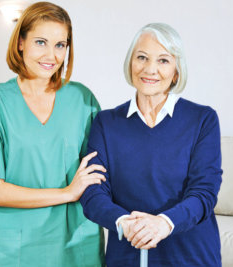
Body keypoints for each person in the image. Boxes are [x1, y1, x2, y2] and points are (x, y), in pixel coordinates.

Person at [0, 2, 105, 266]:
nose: (51, 55)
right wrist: (67, 193)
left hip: (76, 240)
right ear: (20, 43)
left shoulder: (83, 99)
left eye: (60, 45)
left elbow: (103, 171)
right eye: (41, 42)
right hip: (15, 246)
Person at [80, 23, 222, 266]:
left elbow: (204, 193)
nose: (150, 69)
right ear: (130, 63)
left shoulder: (203, 119)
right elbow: (93, 193)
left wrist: (163, 223)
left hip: (191, 255)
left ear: (177, 71)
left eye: (164, 60)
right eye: (142, 57)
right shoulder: (105, 123)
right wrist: (125, 223)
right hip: (127, 255)